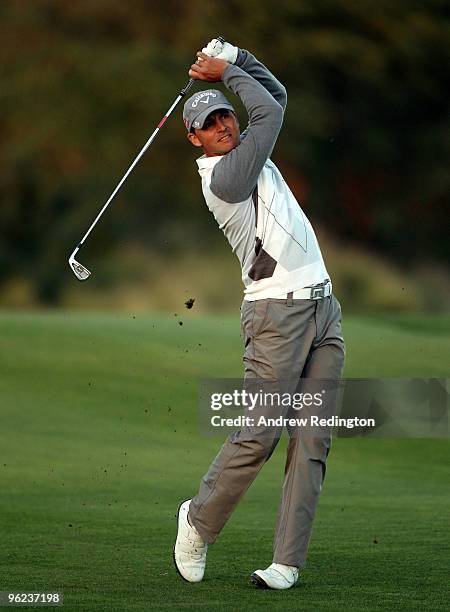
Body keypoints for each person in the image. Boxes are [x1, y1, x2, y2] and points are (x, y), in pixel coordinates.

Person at [173, 38, 345, 590]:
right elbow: (269, 109)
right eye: (211, 121)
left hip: (323, 309)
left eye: (225, 115)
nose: (224, 124)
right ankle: (197, 521)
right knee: (261, 433)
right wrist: (225, 71)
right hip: (276, 316)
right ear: (195, 138)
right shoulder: (224, 178)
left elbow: (277, 94)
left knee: (313, 441)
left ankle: (286, 562)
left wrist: (240, 59)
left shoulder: (249, 150)